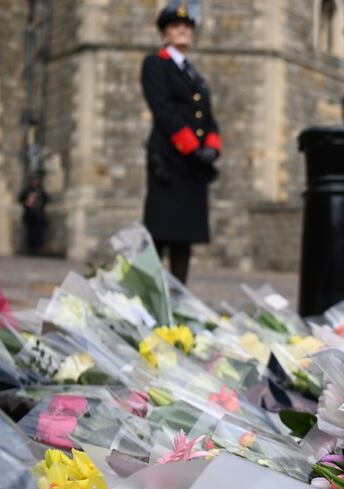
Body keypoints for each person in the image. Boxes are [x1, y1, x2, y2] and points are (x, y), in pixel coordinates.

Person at [140, 2, 221, 284]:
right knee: (160, 234)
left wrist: (212, 146)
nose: (183, 30)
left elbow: (208, 117)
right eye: (176, 27)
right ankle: (149, 296)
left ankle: (178, 298)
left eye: (187, 27)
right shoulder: (156, 64)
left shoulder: (195, 76)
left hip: (193, 168)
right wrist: (192, 148)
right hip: (169, 161)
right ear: (164, 35)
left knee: (184, 237)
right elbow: (163, 110)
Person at [20, 175, 49, 255]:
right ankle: (30, 249)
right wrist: (27, 202)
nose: (34, 183)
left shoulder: (40, 190)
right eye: (33, 181)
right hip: (29, 216)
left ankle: (38, 250)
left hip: (39, 216)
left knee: (39, 234)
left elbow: (46, 199)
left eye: (36, 181)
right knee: (30, 234)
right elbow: (21, 199)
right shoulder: (27, 190)